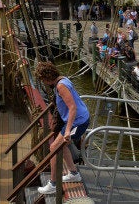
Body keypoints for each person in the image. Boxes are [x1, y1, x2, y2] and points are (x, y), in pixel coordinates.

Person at [35, 62, 90, 195]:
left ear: (47, 77)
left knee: (54, 147)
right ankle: (73, 173)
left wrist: (67, 130)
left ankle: (53, 184)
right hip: (80, 119)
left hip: (78, 122)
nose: (43, 82)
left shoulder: (60, 86)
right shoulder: (63, 79)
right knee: (62, 146)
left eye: (42, 79)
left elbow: (72, 107)